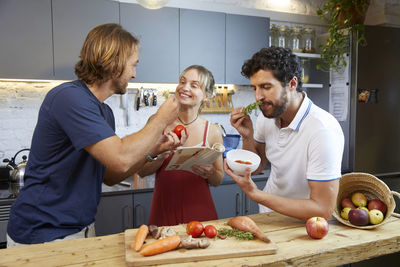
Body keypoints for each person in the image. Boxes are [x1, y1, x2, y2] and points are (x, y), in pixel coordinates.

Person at [7, 23, 184, 246]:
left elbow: (110, 175)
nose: (134, 74)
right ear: (115, 63)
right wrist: (160, 120)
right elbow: (120, 158)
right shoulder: (68, 98)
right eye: (132, 65)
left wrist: (154, 150)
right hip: (43, 233)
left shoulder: (104, 111)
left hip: (81, 229)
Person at [226, 47, 344, 221]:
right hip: (268, 218)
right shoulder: (267, 116)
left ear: (292, 84)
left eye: (266, 87)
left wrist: (256, 194)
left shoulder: (322, 129)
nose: (258, 96)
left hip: (304, 227)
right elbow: (256, 167)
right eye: (254, 88)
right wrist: (247, 137)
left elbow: (323, 210)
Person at [138, 65, 224, 226]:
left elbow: (218, 179)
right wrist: (160, 155)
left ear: (206, 96)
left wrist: (210, 172)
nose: (184, 88)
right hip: (164, 211)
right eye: (182, 82)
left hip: (201, 213)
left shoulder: (212, 132)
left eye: (194, 85)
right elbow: (142, 171)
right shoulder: (158, 123)